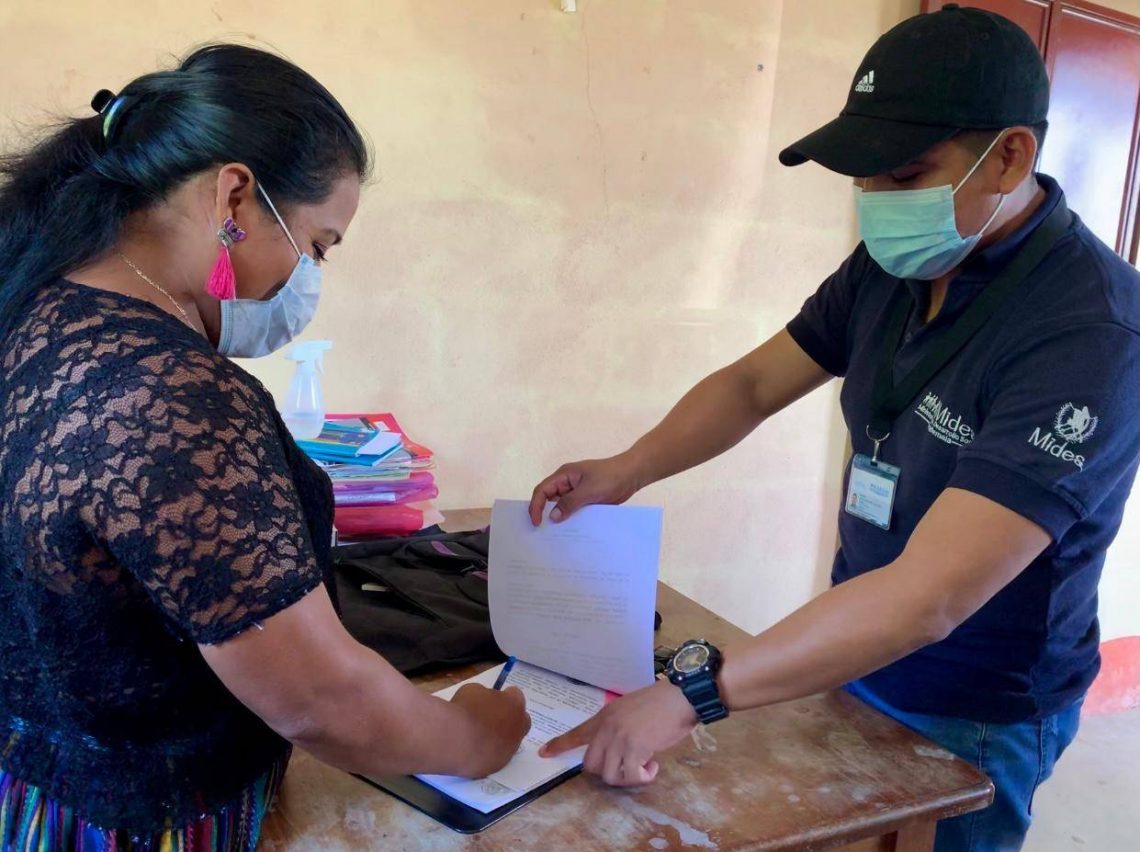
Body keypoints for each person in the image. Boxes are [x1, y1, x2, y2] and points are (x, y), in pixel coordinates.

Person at [533, 7, 1140, 851]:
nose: (876, 203)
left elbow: (931, 597)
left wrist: (693, 692)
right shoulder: (896, 265)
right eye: (862, 180)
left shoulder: (1091, 332)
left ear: (1009, 156)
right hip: (856, 648)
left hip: (976, 703)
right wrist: (628, 467)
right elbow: (752, 384)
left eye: (904, 175)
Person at [0, 45, 529, 850]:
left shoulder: (33, 312)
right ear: (234, 197)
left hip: (36, 790)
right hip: (148, 821)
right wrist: (475, 738)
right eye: (317, 245)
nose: (307, 276)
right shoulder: (172, 393)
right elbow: (322, 703)